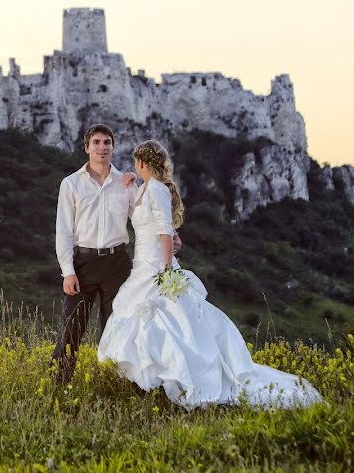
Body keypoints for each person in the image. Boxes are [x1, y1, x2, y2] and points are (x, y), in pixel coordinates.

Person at [97, 140, 322, 408]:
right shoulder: (144, 189)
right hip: (141, 264)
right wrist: (129, 186)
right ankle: (152, 384)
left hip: (156, 265)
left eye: (135, 162)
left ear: (142, 162)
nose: (134, 166)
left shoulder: (157, 190)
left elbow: (165, 230)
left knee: (170, 324)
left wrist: (168, 267)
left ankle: (181, 380)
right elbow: (141, 218)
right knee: (144, 321)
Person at [50, 124, 168, 383]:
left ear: (113, 148)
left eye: (107, 143)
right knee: (72, 328)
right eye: (97, 142)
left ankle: (118, 383)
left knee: (118, 327)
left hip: (117, 263)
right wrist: (68, 271)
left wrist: (170, 239)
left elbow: (144, 220)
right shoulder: (70, 184)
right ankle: (58, 384)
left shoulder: (125, 183)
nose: (102, 147)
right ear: (87, 147)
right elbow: (64, 231)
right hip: (83, 262)